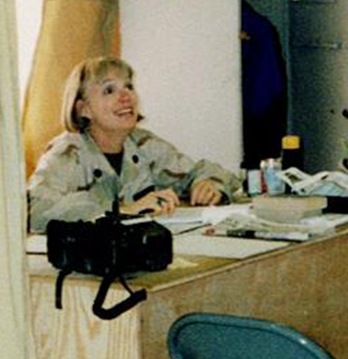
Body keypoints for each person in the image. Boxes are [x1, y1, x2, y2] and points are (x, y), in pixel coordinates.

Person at [27, 56, 241, 232]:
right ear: (84, 109)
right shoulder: (66, 153)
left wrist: (209, 185)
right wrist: (123, 210)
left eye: (128, 86)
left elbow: (204, 171)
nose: (125, 96)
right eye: (109, 90)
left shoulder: (143, 143)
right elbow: (35, 210)